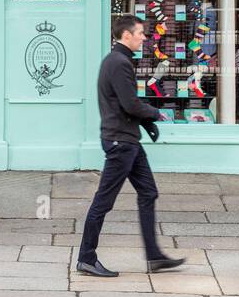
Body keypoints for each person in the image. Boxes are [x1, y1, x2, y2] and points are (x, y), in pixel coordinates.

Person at [76, 14, 184, 277]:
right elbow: (130, 104)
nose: (144, 37)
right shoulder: (119, 63)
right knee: (103, 201)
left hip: (127, 139)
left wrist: (146, 125)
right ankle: (86, 258)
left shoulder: (117, 60)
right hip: (120, 142)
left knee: (148, 192)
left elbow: (123, 104)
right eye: (140, 33)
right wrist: (155, 114)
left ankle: (155, 257)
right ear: (126, 35)